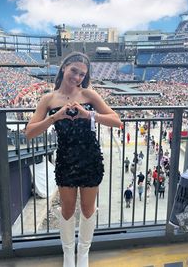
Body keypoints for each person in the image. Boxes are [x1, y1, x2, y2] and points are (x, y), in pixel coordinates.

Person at [25, 52, 121, 267]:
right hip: (66, 160)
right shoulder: (48, 99)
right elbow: (29, 132)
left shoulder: (89, 94)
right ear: (64, 68)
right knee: (67, 210)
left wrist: (89, 115)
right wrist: (54, 117)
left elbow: (117, 121)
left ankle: (83, 254)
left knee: (88, 210)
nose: (77, 77)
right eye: (74, 71)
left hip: (90, 158)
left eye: (82, 74)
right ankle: (69, 254)